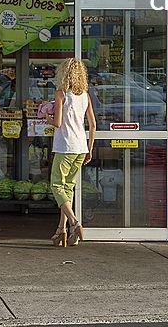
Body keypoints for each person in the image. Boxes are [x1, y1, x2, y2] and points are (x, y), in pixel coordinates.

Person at [49, 57, 96, 246]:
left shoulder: (61, 94)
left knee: (56, 186)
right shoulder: (85, 95)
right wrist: (90, 149)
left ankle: (75, 223)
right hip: (80, 147)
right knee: (68, 189)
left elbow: (58, 123)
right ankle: (62, 230)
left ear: (64, 74)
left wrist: (46, 118)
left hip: (65, 146)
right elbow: (92, 125)